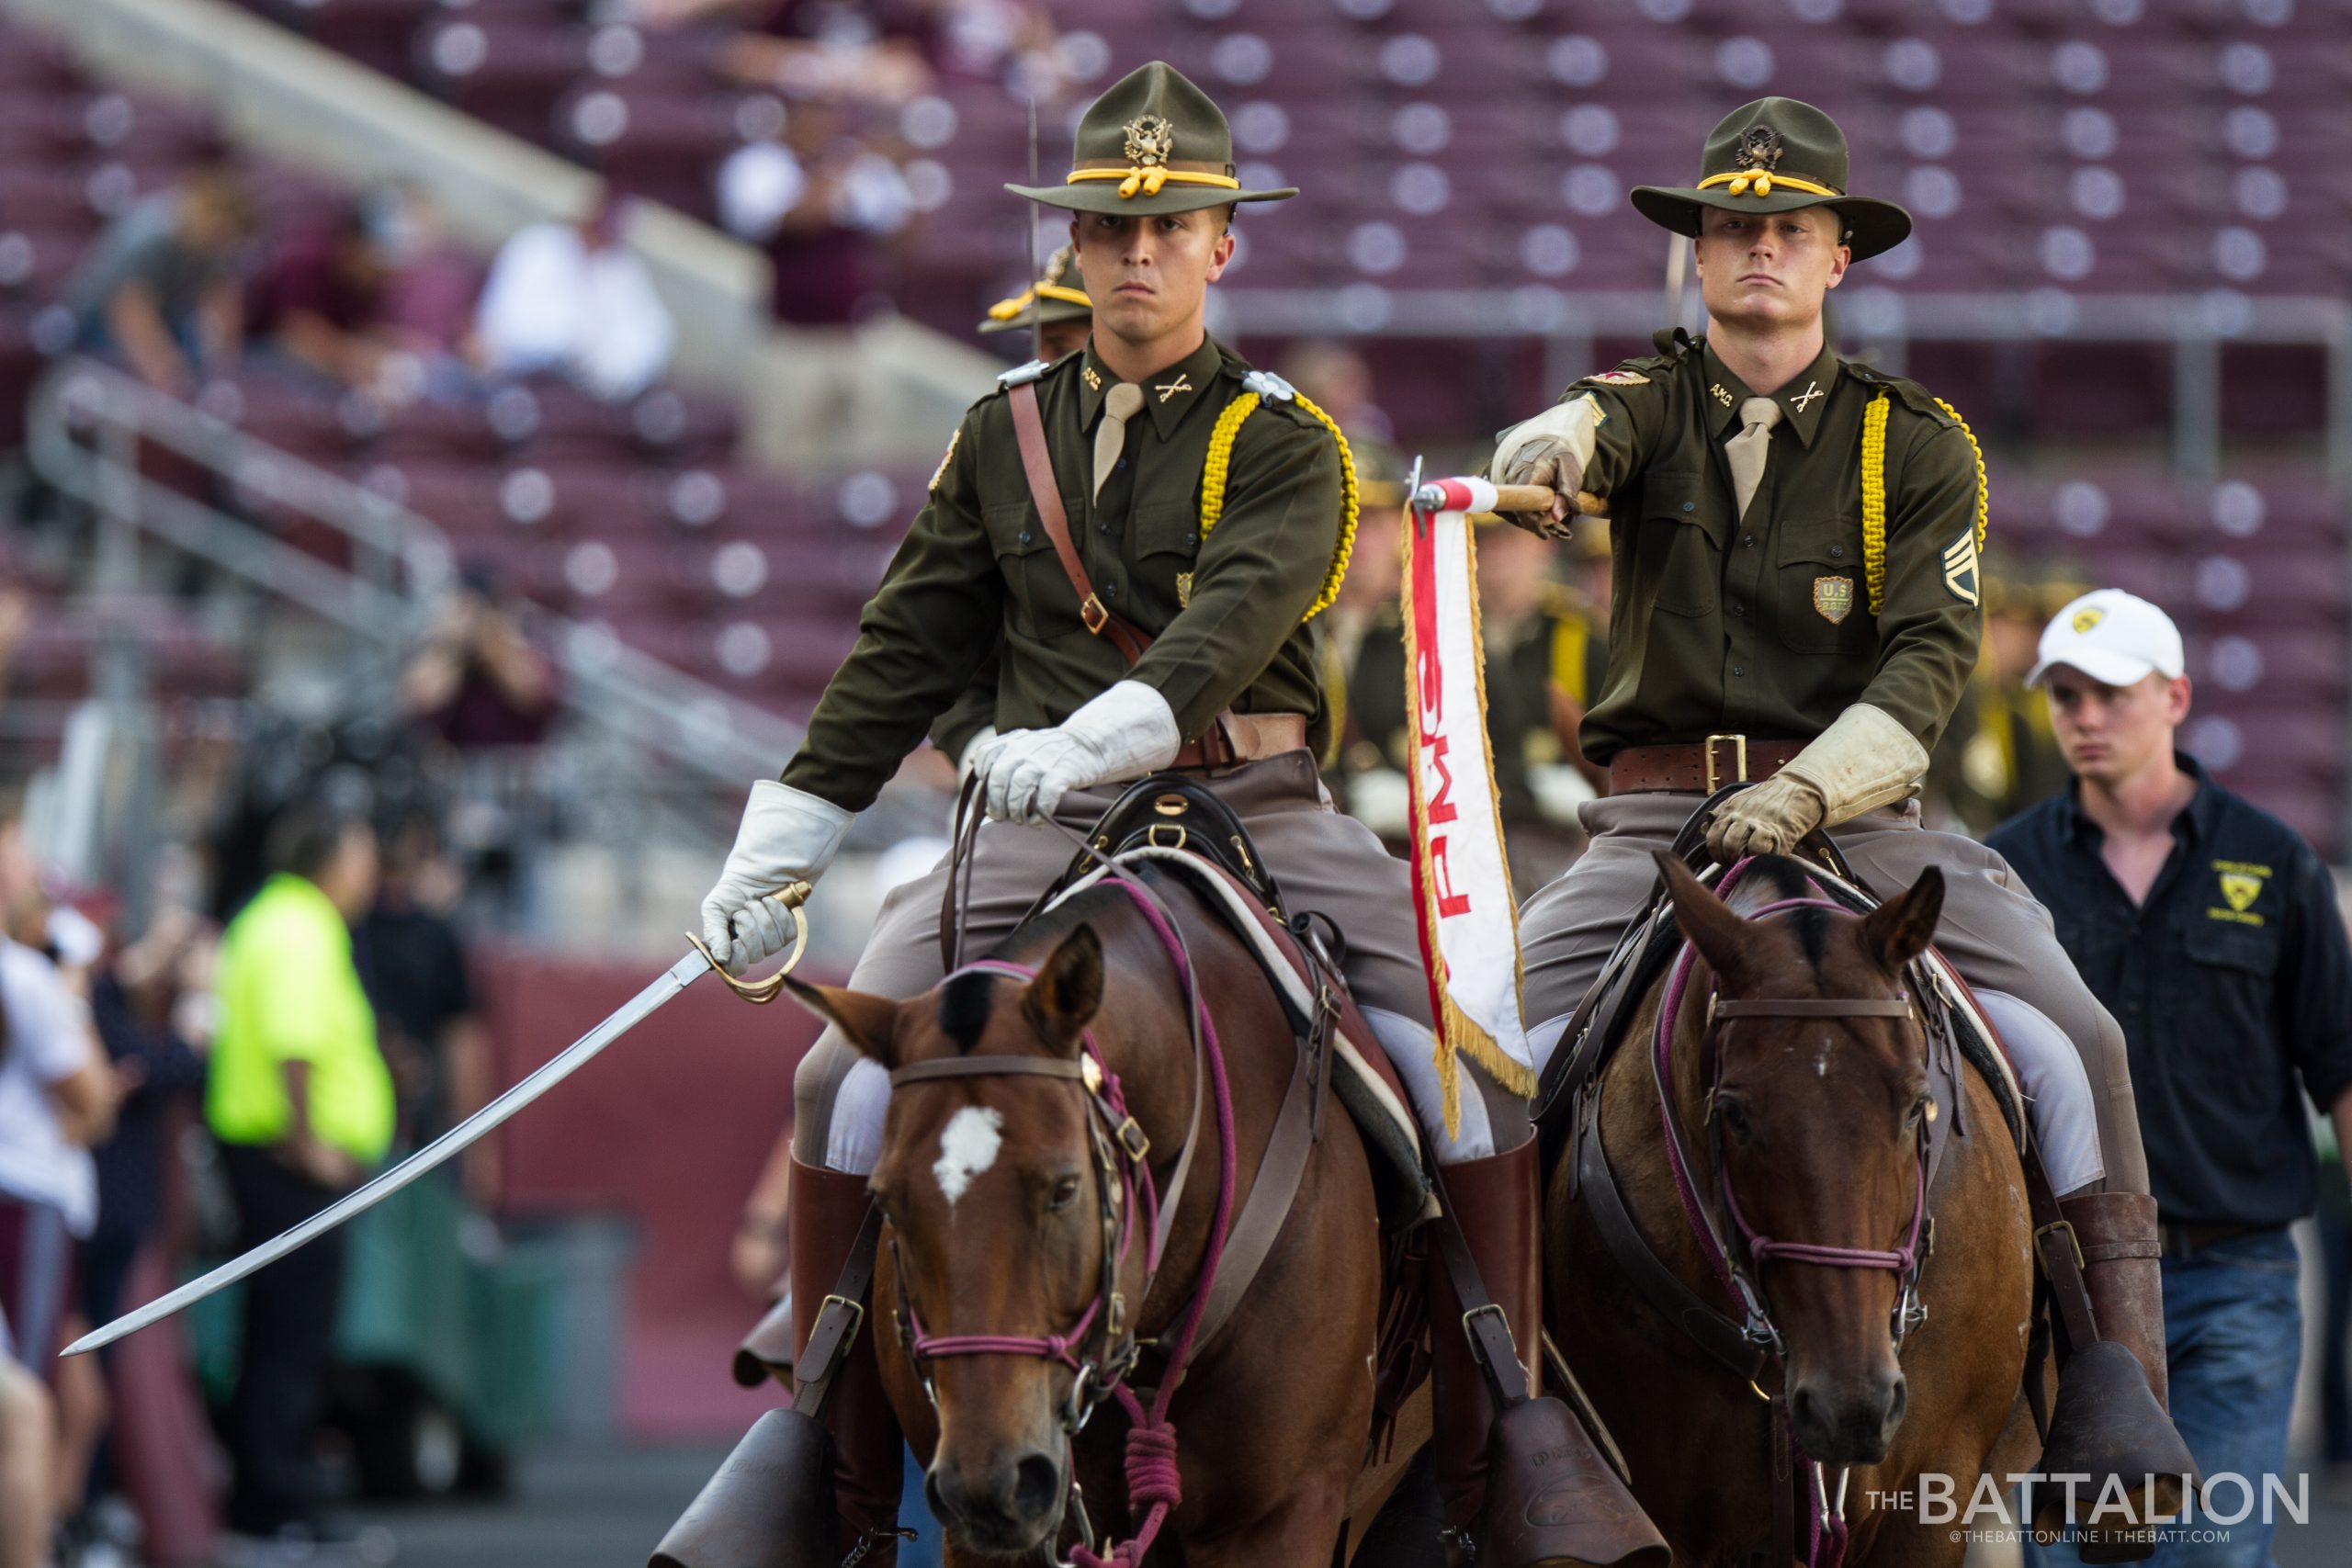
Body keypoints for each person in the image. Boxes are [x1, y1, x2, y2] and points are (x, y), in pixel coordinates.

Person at [695, 62, 1647, 1566]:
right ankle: (824, 1457)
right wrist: (784, 842)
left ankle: (1504, 1436)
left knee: (1476, 1073)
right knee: (840, 1080)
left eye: (1171, 228)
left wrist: (1076, 742)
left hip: (1250, 798)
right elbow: (905, 643)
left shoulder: (1290, 443)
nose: (1137, 255)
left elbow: (1221, 632)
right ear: (1074, 246)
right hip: (1032, 831)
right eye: (1108, 229)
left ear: (1223, 245)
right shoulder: (1000, 429)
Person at [1487, 96, 2192, 1508]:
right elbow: (1576, 435)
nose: (1758, 249)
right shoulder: (1646, 403)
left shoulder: (1916, 442)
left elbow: (1934, 660)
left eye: (1787, 229)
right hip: (1653, 828)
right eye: (1732, 227)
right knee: (1485, 1055)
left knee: (2081, 1040)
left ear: (1835, 259)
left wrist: (1806, 789)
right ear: (1698, 254)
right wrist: (1542, 446)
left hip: (1860, 818)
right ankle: (1478, 1415)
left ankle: (2117, 1399)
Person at [1987, 590, 2352, 1568]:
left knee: (2213, 1557)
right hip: (2061, 1286)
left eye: (2109, 693)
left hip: (2233, 1276)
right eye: (2064, 697)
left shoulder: (2273, 862)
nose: (2085, 717)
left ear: (2177, 697)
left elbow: (2340, 1062)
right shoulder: (1999, 876)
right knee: (2069, 1560)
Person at [207, 807, 390, 1554]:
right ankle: (274, 1501)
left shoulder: (271, 917)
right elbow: (292, 1039)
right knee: (292, 1340)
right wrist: (310, 1142)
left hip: (268, 1157)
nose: (372, 873)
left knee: (276, 1335)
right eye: (365, 855)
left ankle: (264, 1494)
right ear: (335, 861)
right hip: (288, 1165)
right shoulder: (300, 926)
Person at [354, 812, 494, 1202]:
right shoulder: (340, 925)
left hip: (420, 1120)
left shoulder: (436, 937)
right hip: (350, 1117)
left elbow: (463, 1041)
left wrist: (478, 1149)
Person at [68, 167, 256, 397]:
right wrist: (168, 373)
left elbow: (219, 304)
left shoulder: (210, 245)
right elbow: (129, 313)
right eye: (221, 231)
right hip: (96, 322)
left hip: (161, 317)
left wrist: (224, 369)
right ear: (206, 212)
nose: (222, 242)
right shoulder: (155, 235)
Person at [1927, 555, 2079, 834]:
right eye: (1990, 619)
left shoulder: (2024, 709)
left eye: (2016, 621)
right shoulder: (1949, 698)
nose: (1997, 635)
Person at [472, 194, 675, 402]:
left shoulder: (625, 268)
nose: (602, 240)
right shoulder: (538, 247)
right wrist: (572, 343)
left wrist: (606, 366)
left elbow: (652, 339)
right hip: (521, 379)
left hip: (592, 395)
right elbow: (503, 328)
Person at [399, 567, 559, 752]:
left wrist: (490, 641)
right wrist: (449, 646)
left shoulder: (524, 644)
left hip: (515, 769)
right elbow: (418, 700)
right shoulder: (447, 650)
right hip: (455, 770)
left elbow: (533, 694)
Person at [245, 205, 399, 393]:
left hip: (320, 369)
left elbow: (365, 332)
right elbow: (297, 334)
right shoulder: (304, 261)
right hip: (260, 355)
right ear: (352, 245)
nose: (383, 271)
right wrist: (356, 356)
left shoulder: (371, 281)